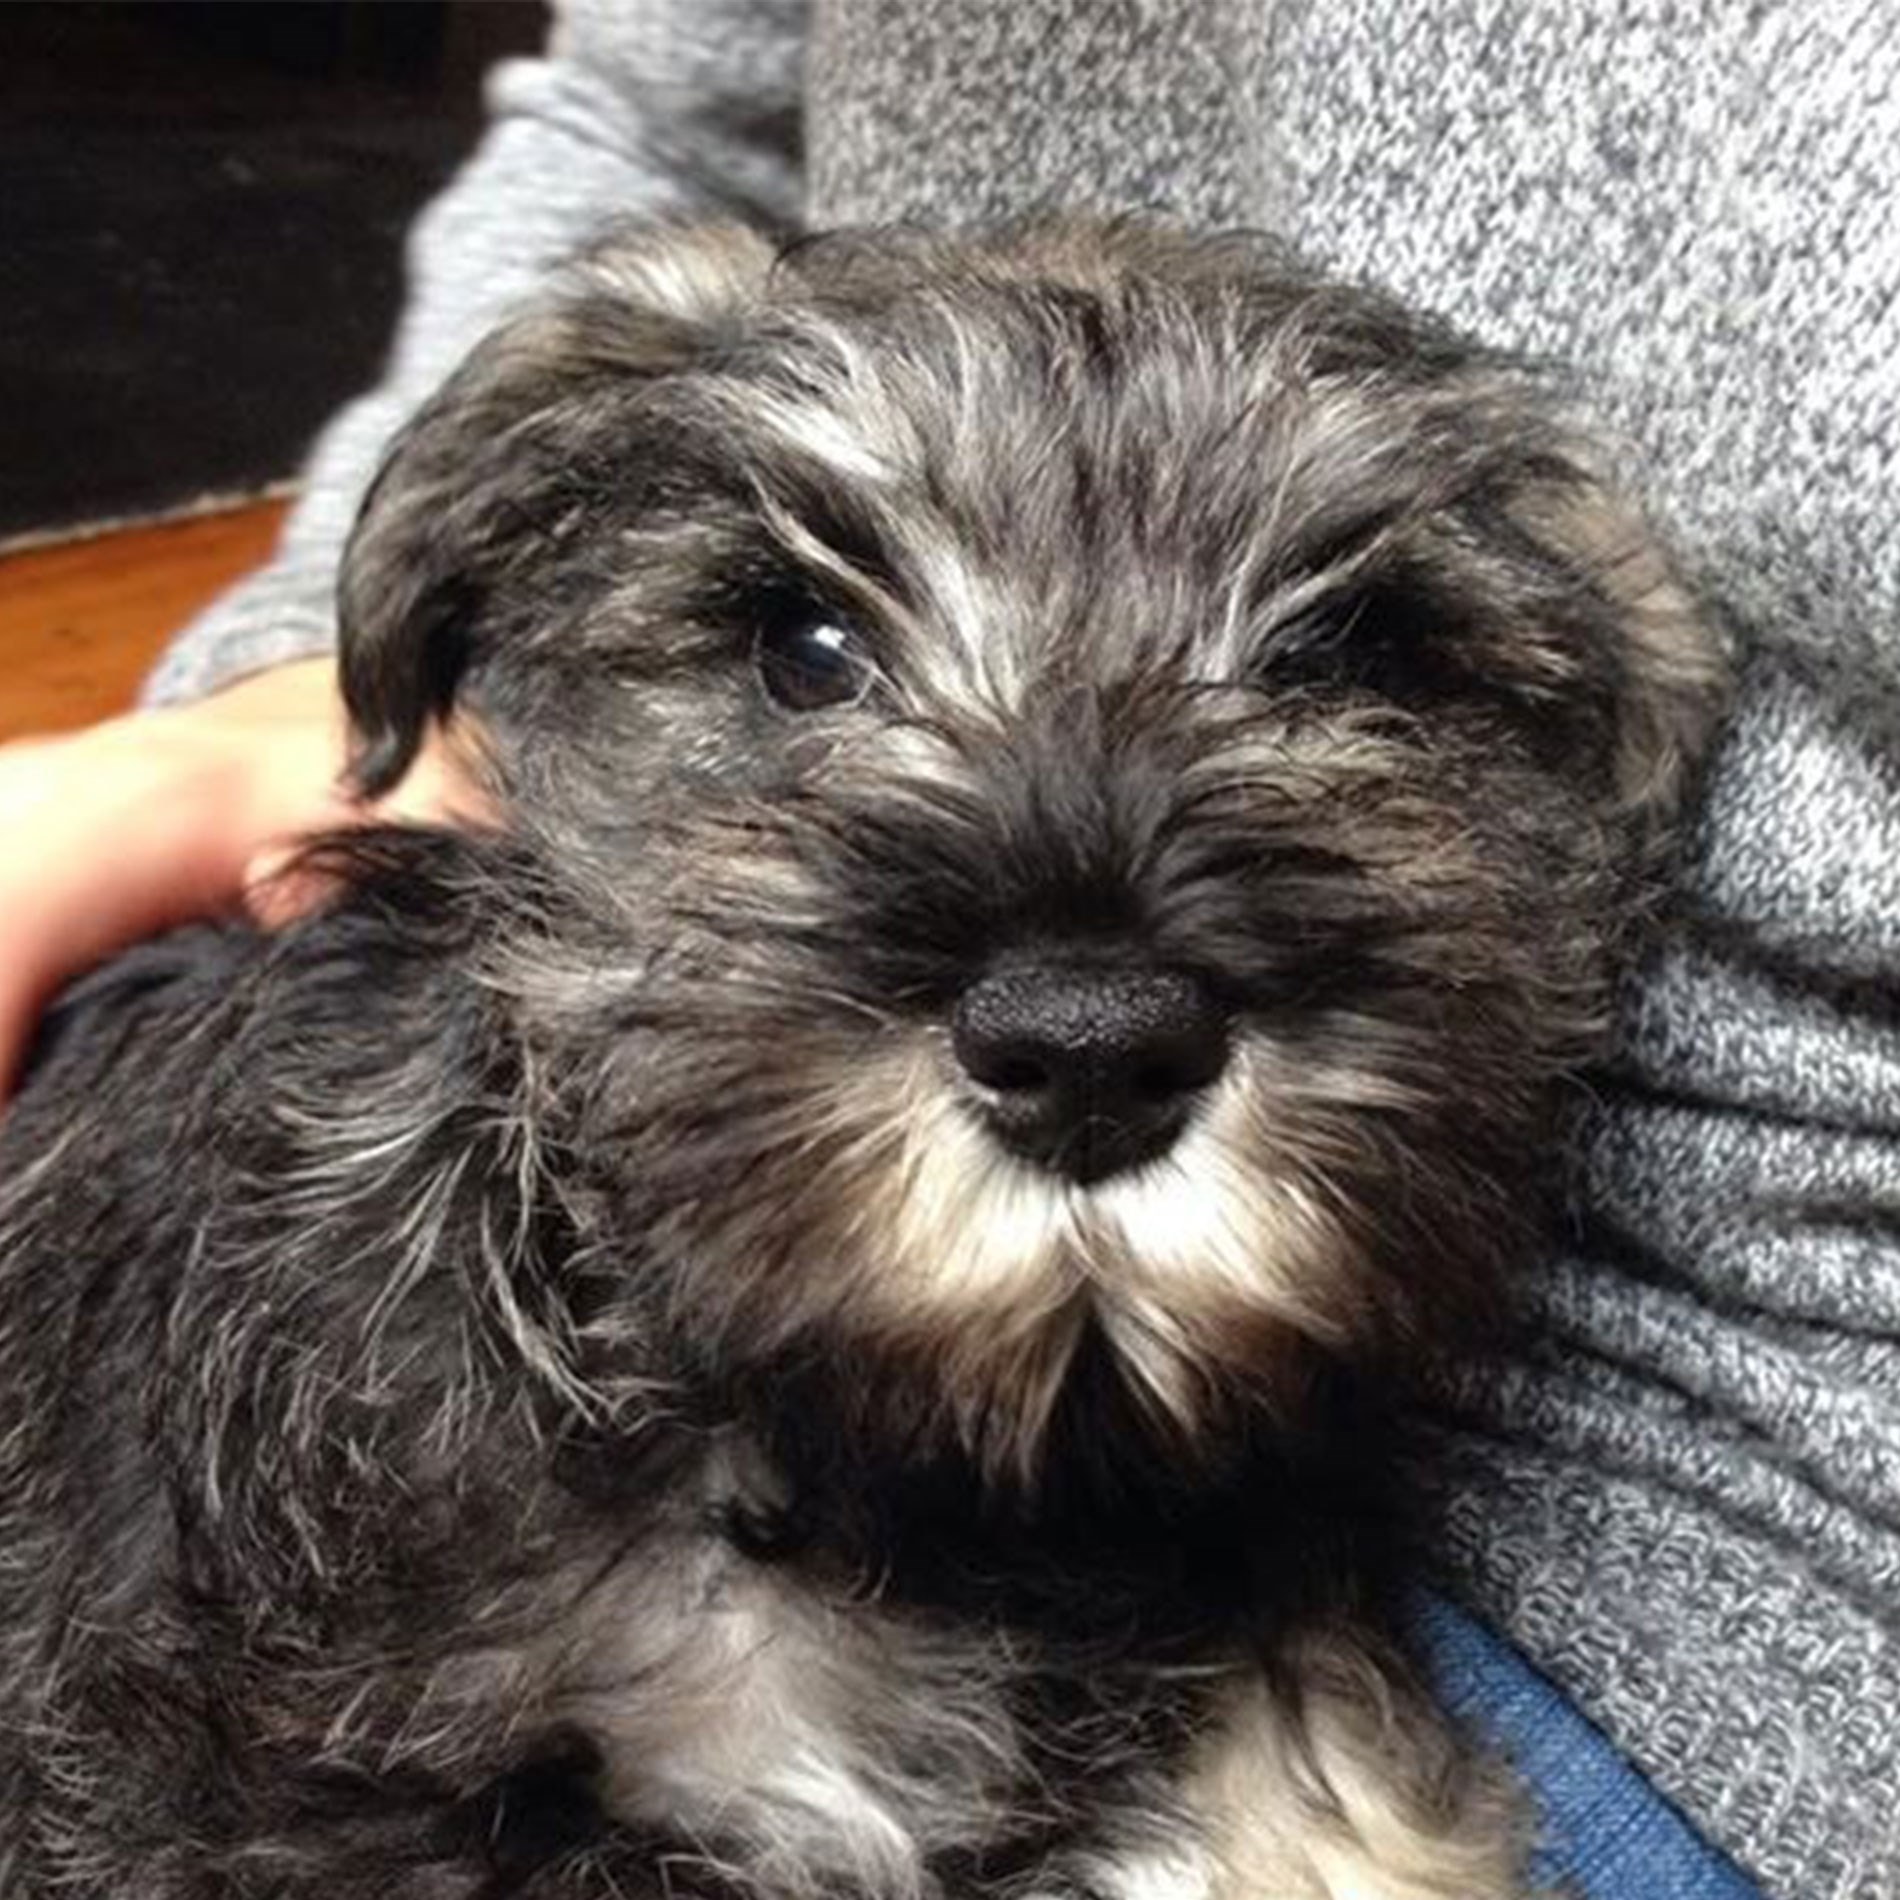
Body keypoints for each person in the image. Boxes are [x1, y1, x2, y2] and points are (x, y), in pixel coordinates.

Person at [3, 4, 1895, 1894]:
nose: (1086, 997)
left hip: (1706, 1527)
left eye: (1337, 663)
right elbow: (661, 114)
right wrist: (253, 704)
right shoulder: (396, 1516)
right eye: (807, 656)